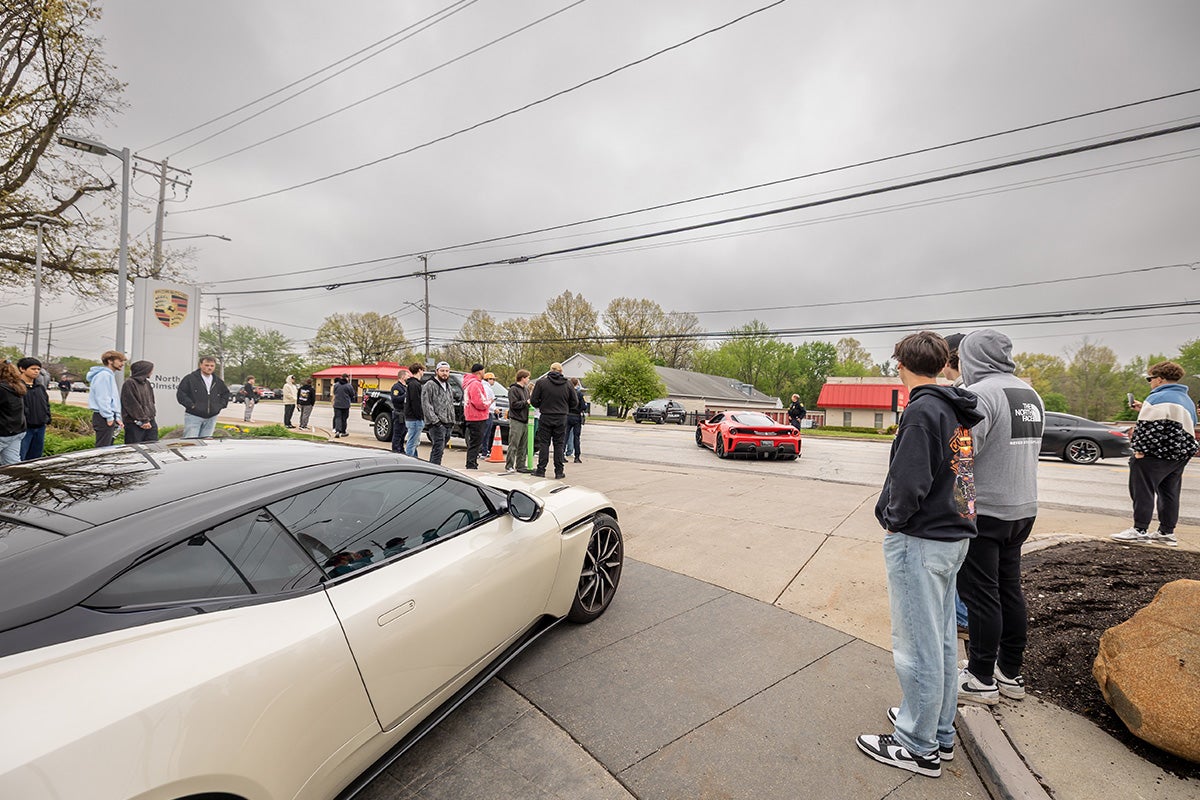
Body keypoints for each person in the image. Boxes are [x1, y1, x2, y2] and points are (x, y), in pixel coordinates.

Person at [856, 331, 981, 779]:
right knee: (943, 641)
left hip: (921, 540)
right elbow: (965, 479)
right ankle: (938, 730)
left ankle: (917, 744)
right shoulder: (956, 409)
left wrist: (893, 518)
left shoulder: (922, 411)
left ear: (901, 366)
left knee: (917, 646)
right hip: (954, 537)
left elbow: (909, 484)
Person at [955, 329, 1045, 706]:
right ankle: (1010, 673)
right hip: (1024, 510)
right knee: (1010, 590)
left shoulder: (980, 395)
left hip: (987, 512)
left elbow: (961, 457)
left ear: (972, 357)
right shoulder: (1029, 393)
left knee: (981, 596)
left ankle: (979, 678)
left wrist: (959, 511)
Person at [1113, 360, 1197, 547]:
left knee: (1143, 490)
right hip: (1179, 454)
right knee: (1169, 493)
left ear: (1159, 379)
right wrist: (1144, 408)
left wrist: (1139, 451)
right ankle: (1166, 532)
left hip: (1155, 455)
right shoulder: (1185, 399)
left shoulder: (1158, 398)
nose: (1150, 382)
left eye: (1149, 379)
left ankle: (1139, 530)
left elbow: (1149, 429)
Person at [941, 332, 970, 640]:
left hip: (965, 495)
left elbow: (963, 456)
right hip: (977, 498)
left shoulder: (963, 396)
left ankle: (963, 619)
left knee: (961, 566)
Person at [530, 362, 578, 479]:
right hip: (561, 417)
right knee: (559, 444)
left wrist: (543, 404)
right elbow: (574, 402)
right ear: (561, 371)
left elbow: (534, 401)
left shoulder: (541, 383)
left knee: (544, 443)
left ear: (550, 370)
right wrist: (565, 407)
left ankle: (541, 469)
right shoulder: (567, 384)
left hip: (546, 415)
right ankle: (559, 471)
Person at [176, 356, 232, 438]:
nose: (209, 368)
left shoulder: (218, 381)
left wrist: (219, 406)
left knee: (206, 443)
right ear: (201, 365)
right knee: (191, 442)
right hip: (194, 416)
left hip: (211, 417)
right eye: (207, 365)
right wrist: (192, 405)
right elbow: (181, 394)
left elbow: (225, 394)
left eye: (212, 366)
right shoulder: (190, 379)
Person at [87, 350, 125, 448]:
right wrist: (109, 416)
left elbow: (112, 398)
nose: (122, 364)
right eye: (120, 361)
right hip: (103, 416)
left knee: (107, 447)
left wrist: (117, 417)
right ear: (110, 361)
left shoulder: (109, 375)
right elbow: (103, 398)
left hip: (107, 416)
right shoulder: (103, 375)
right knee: (103, 449)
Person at [422, 362, 455, 465]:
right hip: (437, 424)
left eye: (447, 371)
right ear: (436, 371)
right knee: (438, 449)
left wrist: (452, 420)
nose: (444, 373)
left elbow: (450, 403)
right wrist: (436, 422)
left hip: (448, 423)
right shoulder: (430, 385)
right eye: (442, 371)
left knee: (440, 450)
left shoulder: (448, 385)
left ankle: (436, 468)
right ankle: (433, 470)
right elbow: (426, 404)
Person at [18, 357, 50, 460]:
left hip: (40, 427)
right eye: (33, 369)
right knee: (21, 457)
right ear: (22, 369)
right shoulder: (16, 387)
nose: (36, 371)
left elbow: (46, 404)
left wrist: (47, 418)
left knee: (36, 459)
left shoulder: (40, 387)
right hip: (24, 429)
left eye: (38, 369)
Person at [120, 360, 158, 443]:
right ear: (144, 370)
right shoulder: (129, 383)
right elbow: (132, 404)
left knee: (153, 446)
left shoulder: (146, 383)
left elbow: (151, 401)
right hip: (135, 423)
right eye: (150, 370)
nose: (151, 372)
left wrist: (150, 417)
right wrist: (143, 420)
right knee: (134, 448)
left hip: (150, 420)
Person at [462, 364, 490, 470]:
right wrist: (487, 404)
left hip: (471, 416)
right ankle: (471, 464)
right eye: (483, 371)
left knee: (474, 442)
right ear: (479, 372)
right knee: (475, 443)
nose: (484, 373)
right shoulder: (475, 384)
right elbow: (478, 401)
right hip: (477, 417)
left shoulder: (470, 383)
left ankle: (472, 462)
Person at [0, 361, 28, 465]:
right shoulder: (16, 387)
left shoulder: (1, 389)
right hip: (16, 431)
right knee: (12, 464)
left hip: (3, 432)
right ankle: (19, 480)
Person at [505, 369, 532, 473]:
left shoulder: (526, 390)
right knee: (514, 444)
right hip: (516, 420)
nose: (528, 379)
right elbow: (514, 404)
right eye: (527, 377)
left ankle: (520, 465)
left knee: (523, 445)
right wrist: (526, 402)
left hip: (525, 420)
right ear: (523, 378)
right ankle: (509, 465)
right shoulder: (513, 390)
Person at [403, 363, 425, 458]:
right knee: (412, 442)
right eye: (423, 370)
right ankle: (409, 460)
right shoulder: (414, 384)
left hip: (411, 418)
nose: (423, 372)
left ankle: (415, 459)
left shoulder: (411, 384)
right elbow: (415, 402)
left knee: (415, 442)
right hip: (415, 419)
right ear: (419, 370)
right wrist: (420, 416)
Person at [564, 377, 585, 462]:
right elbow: (583, 406)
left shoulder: (567, 393)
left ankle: (562, 454)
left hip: (567, 415)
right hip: (576, 416)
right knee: (576, 437)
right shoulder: (579, 394)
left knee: (565, 436)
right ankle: (577, 456)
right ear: (577, 384)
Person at [389, 368, 409, 454]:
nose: (408, 377)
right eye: (407, 375)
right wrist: (405, 395)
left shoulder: (406, 387)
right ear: (403, 376)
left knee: (403, 432)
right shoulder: (396, 387)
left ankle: (401, 449)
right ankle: (395, 449)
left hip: (405, 413)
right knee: (398, 433)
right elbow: (395, 399)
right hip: (399, 413)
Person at [480, 371, 499, 453]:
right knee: (485, 433)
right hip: (487, 413)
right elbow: (488, 401)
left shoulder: (487, 387)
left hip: (488, 413)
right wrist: (494, 409)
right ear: (488, 379)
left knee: (487, 433)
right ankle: (482, 451)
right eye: (492, 379)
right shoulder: (486, 388)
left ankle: (484, 450)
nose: (493, 381)